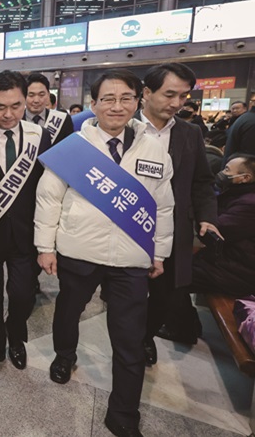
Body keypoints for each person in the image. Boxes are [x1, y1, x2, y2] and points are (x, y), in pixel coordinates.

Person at [35, 69, 174, 437]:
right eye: (107, 99)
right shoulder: (73, 148)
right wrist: (45, 247)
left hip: (131, 259)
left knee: (130, 337)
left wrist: (159, 253)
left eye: (125, 98)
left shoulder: (153, 146)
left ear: (138, 100)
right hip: (79, 251)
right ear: (93, 104)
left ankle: (124, 412)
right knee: (68, 311)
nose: (117, 106)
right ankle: (65, 356)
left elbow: (163, 206)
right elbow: (48, 199)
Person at [136, 64, 219, 362]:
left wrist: (207, 217)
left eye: (183, 96)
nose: (176, 103)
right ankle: (125, 340)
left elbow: (202, 182)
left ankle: (146, 337)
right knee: (125, 293)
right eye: (169, 94)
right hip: (127, 225)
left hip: (173, 230)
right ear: (147, 92)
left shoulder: (190, 133)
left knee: (164, 293)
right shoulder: (121, 127)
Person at [0, 71, 51, 380]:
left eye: (16, 106)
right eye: (0, 107)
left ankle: (16, 337)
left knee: (22, 294)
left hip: (25, 232)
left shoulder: (39, 136)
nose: (8, 115)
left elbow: (48, 187)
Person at [160, 154, 255, 336]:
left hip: (238, 272)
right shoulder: (240, 195)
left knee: (175, 276)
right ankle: (182, 323)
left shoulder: (249, 204)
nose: (222, 173)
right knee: (174, 268)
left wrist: (199, 217)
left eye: (227, 170)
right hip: (227, 262)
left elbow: (215, 233)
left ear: (245, 178)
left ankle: (183, 329)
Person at [25, 73, 74, 146]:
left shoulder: (63, 120)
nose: (36, 100)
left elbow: (68, 148)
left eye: (41, 95)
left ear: (48, 95)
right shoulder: (14, 120)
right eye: (31, 95)